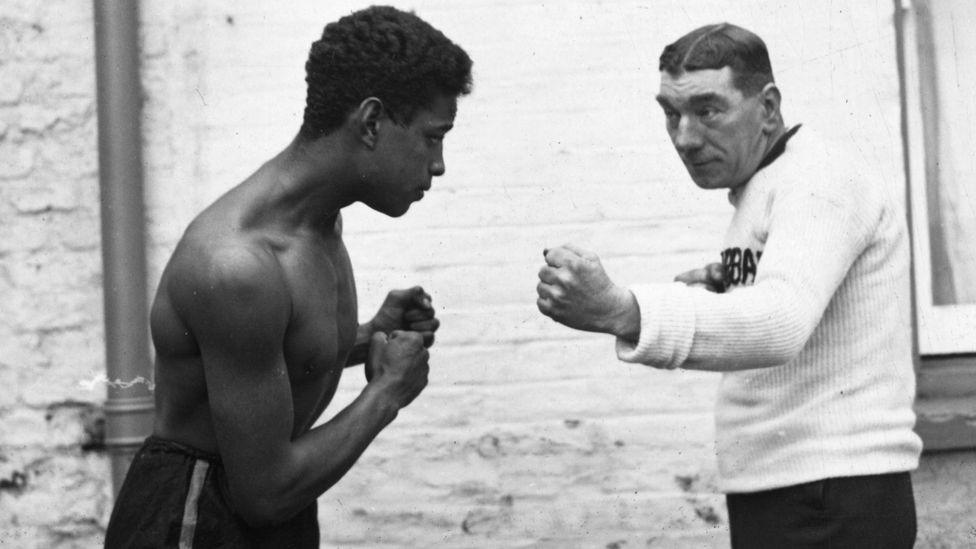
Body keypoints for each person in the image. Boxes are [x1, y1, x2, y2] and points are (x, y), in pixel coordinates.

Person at [536, 23, 920, 549]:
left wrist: (623, 311)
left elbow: (781, 324)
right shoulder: (771, 182)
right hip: (797, 488)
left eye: (708, 110)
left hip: (829, 496)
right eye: (672, 113)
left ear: (767, 108)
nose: (685, 137)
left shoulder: (819, 181)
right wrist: (727, 289)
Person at [104, 6, 472, 547]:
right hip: (194, 520)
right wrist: (387, 393)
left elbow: (274, 362)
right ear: (371, 123)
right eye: (431, 138)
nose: (438, 165)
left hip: (270, 514)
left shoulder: (319, 223)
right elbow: (265, 492)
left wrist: (368, 335)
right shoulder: (239, 266)